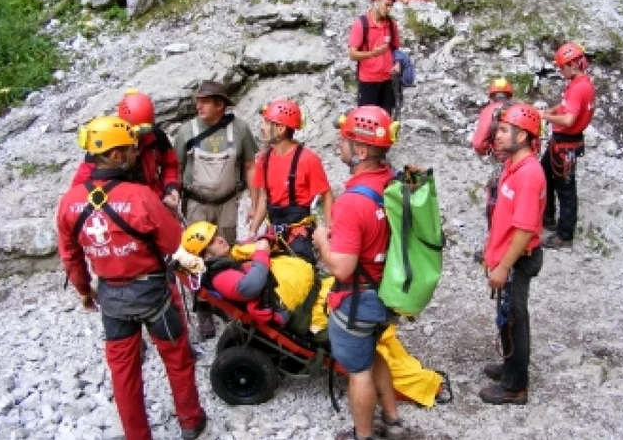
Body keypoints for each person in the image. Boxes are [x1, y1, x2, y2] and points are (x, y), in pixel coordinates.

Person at [178, 221, 446, 409]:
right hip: (309, 313)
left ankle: (416, 373)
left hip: (315, 295)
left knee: (371, 320)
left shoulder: (230, 258)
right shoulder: (221, 274)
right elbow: (250, 286)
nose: (219, 239)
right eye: (211, 242)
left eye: (215, 235)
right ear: (203, 255)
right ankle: (424, 386)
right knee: (370, 339)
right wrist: (262, 253)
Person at [56, 116, 206, 439]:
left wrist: (85, 290)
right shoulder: (140, 197)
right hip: (154, 295)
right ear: (113, 156)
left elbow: (70, 255)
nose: (136, 153)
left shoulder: (70, 202)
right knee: (177, 359)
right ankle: (191, 420)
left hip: (111, 299)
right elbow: (174, 242)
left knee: (123, 374)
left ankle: (137, 435)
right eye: (129, 149)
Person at [313, 106, 409, 440]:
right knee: (374, 351)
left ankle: (363, 435)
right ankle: (393, 420)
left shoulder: (353, 202)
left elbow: (341, 267)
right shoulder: (390, 180)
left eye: (346, 140)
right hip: (386, 292)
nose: (340, 144)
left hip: (358, 299)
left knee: (359, 369)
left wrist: (323, 240)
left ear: (362, 150)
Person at [173, 79, 259, 338]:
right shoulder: (186, 132)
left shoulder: (240, 130)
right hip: (197, 202)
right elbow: (175, 168)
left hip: (227, 202)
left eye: (205, 101)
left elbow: (250, 166)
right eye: (197, 101)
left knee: (226, 250)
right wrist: (174, 199)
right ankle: (203, 307)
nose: (198, 105)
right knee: (197, 255)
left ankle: (227, 298)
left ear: (220, 105)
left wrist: (255, 204)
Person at [479, 104, 545, 406]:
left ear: (523, 135)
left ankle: (515, 386)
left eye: (505, 131)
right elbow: (504, 216)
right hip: (507, 256)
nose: (499, 135)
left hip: (517, 259)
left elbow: (524, 228)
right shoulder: (512, 166)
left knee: (516, 319)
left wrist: (504, 266)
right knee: (506, 317)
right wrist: (490, 248)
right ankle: (509, 366)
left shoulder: (529, 174)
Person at [249, 99, 334, 263]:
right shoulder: (264, 160)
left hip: (299, 234)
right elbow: (264, 197)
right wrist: (252, 232)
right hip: (273, 231)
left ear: (280, 129)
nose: (262, 128)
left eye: (267, 123)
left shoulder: (308, 159)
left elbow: (327, 195)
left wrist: (330, 231)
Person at [71, 89, 181, 210]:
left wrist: (171, 187)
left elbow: (170, 165)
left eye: (145, 130)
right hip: (121, 207)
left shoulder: (155, 136)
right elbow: (79, 189)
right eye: (137, 132)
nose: (140, 137)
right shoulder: (105, 147)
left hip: (154, 201)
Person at [539, 42, 596, 249]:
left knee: (566, 189)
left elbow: (569, 119)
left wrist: (545, 116)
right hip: (562, 142)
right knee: (544, 174)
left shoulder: (578, 88)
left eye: (562, 67)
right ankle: (548, 216)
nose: (560, 71)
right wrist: (551, 111)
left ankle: (564, 235)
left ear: (573, 64)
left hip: (566, 143)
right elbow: (565, 107)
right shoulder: (580, 83)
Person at [471, 78, 515, 262]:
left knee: (496, 205)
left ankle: (495, 248)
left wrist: (486, 150)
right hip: (524, 163)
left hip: (502, 162)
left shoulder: (490, 111)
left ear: (491, 96)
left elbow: (479, 143)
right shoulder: (519, 110)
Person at [348, 0, 401, 116]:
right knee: (366, 120)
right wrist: (372, 53)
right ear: (376, 1)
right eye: (386, 5)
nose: (389, 9)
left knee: (385, 119)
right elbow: (352, 54)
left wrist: (398, 62)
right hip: (368, 81)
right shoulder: (361, 24)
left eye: (391, 6)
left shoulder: (391, 23)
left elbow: (395, 48)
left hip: (387, 80)